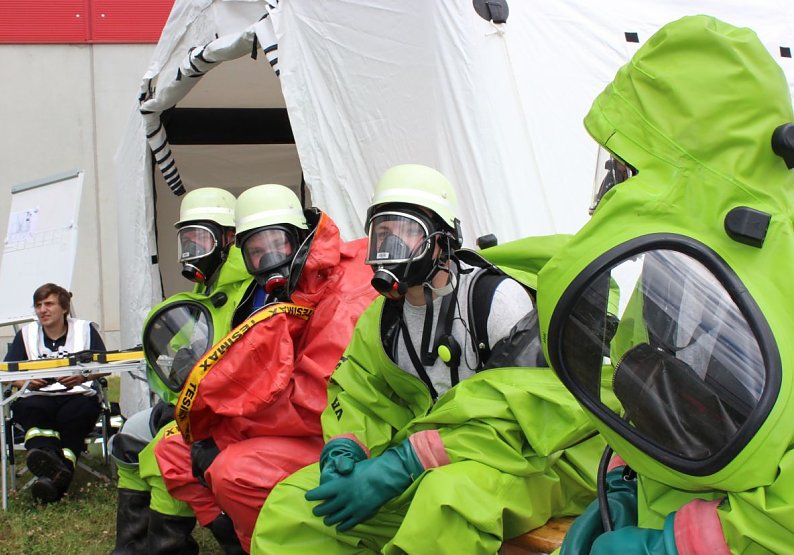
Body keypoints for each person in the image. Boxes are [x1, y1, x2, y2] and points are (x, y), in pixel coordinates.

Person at [536, 15, 794, 553]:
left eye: (631, 162)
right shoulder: (682, 262)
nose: (616, 179)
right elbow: (656, 388)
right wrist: (629, 484)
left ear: (684, 161)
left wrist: (687, 542)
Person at [251, 165, 602, 554]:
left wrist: (405, 463)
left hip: (540, 460)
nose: (391, 249)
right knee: (295, 504)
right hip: (434, 454)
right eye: (382, 234)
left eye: (405, 233)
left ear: (443, 240)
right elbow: (358, 391)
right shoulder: (382, 318)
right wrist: (346, 446)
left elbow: (528, 417)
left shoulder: (497, 301)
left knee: (445, 500)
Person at [154, 183, 376, 553]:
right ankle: (236, 541)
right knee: (173, 449)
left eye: (276, 244)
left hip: (342, 432)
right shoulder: (296, 283)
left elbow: (313, 402)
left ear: (300, 238)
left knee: (233, 471)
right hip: (289, 418)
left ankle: (272, 540)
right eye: (256, 252)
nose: (268, 260)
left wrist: (225, 428)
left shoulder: (340, 298)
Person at [111, 187, 254, 554]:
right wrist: (174, 362)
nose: (192, 253)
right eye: (186, 242)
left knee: (163, 449)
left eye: (200, 240)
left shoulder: (249, 292)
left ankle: (168, 547)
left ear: (229, 239)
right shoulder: (207, 290)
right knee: (129, 436)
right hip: (190, 402)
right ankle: (132, 545)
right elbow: (177, 352)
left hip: (224, 413)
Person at [4, 282, 107, 503]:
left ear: (64, 307)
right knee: (31, 408)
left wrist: (84, 376)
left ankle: (50, 471)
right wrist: (26, 381)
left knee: (77, 413)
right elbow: (6, 372)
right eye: (38, 305)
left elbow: (104, 365)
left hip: (77, 393)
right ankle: (59, 473)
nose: (43, 310)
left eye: (49, 304)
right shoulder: (26, 334)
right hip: (37, 396)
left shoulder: (85, 329)